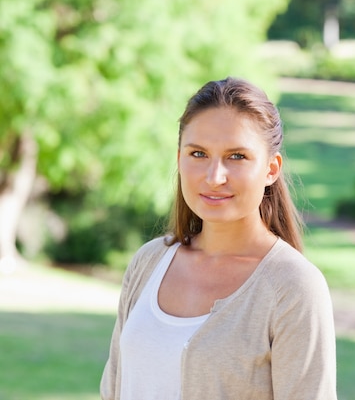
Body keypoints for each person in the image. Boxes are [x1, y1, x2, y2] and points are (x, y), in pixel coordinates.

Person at [100, 77, 337, 400]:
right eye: (198, 154)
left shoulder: (293, 287)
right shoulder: (149, 262)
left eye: (236, 156)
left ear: (271, 168)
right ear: (179, 158)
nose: (214, 177)